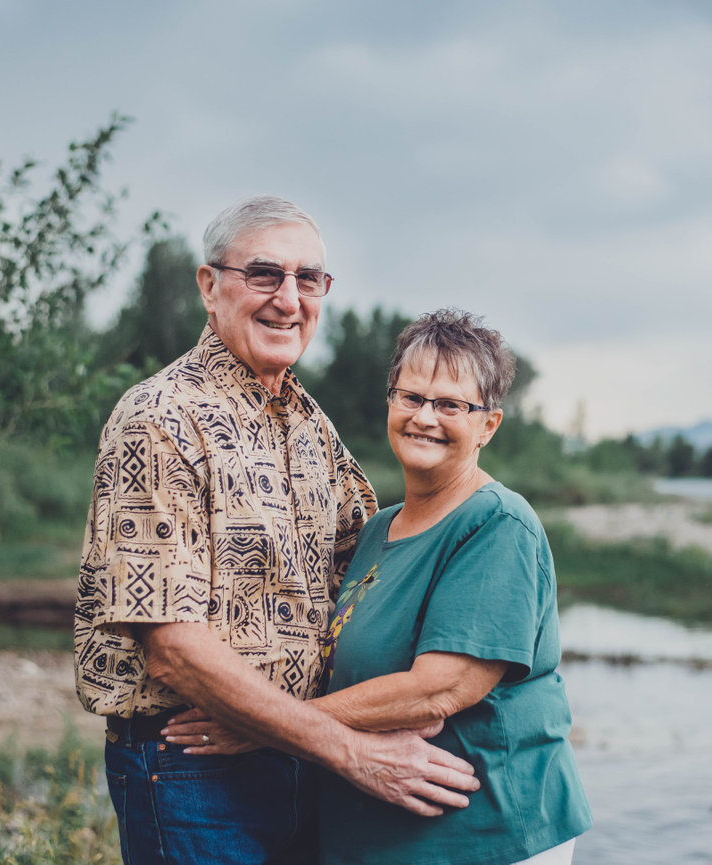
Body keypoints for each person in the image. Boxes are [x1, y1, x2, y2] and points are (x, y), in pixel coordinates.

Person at [74, 197, 479, 865]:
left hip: (300, 758)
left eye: (308, 279)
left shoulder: (312, 425)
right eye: (264, 274)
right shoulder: (160, 418)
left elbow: (372, 578)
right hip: (192, 767)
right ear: (210, 286)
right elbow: (172, 649)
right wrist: (351, 750)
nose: (288, 300)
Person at [167, 309, 592, 864]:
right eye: (410, 397)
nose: (424, 417)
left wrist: (266, 726)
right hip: (385, 840)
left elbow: (437, 691)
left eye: (450, 405)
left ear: (488, 425)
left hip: (488, 836)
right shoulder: (376, 530)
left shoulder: (497, 523)